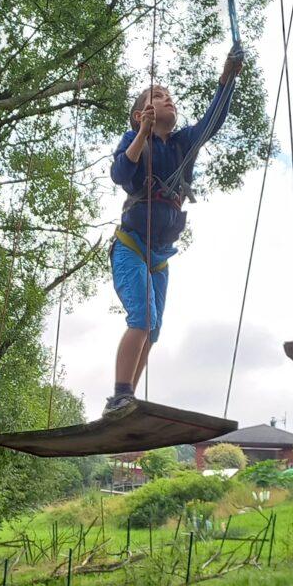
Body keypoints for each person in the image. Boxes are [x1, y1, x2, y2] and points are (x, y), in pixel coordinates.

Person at [104, 45, 244, 415]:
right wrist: (141, 133)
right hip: (131, 246)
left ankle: (127, 398)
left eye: (169, 96)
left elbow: (213, 121)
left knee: (154, 328)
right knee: (142, 318)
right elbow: (121, 174)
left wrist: (227, 79)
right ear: (140, 115)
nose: (167, 99)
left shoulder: (183, 144)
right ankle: (119, 396)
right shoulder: (134, 142)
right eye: (157, 96)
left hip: (160, 256)